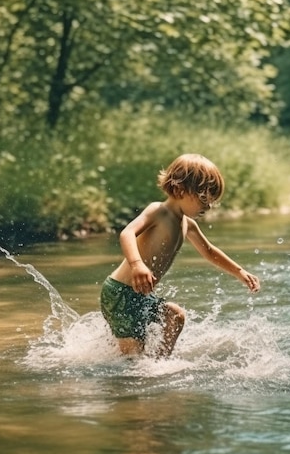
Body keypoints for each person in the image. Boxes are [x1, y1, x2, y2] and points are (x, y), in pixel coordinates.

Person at [100, 153, 260, 358]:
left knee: (175, 316)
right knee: (131, 358)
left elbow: (210, 252)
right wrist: (137, 264)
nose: (208, 205)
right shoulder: (158, 211)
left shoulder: (188, 224)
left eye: (211, 200)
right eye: (203, 198)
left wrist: (239, 271)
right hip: (121, 292)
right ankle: (135, 374)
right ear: (179, 189)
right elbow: (127, 233)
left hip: (141, 295)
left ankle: (158, 365)